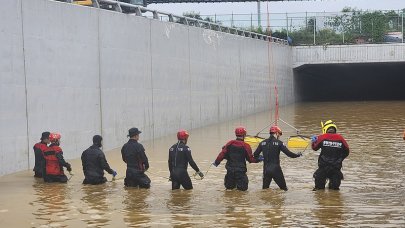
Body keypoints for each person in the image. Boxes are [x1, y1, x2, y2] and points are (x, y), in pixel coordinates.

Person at [253, 125, 302, 191]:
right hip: (276, 169)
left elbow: (255, 155)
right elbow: (289, 154)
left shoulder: (262, 143)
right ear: (276, 133)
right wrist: (297, 155)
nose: (279, 136)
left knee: (265, 190)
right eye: (279, 134)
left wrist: (261, 158)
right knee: (284, 190)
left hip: (266, 170)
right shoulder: (279, 143)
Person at [213, 126, 258, 191]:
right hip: (240, 172)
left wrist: (216, 162)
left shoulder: (230, 143)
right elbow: (250, 159)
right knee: (242, 192)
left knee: (229, 190)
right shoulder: (246, 146)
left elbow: (222, 154)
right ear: (244, 135)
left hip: (230, 171)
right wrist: (259, 159)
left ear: (236, 134)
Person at [311, 120, 349, 191]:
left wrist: (313, 142)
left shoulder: (322, 137)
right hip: (336, 168)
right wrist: (339, 159)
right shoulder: (341, 138)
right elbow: (347, 151)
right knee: (335, 191)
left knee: (318, 190)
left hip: (323, 167)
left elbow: (314, 148)